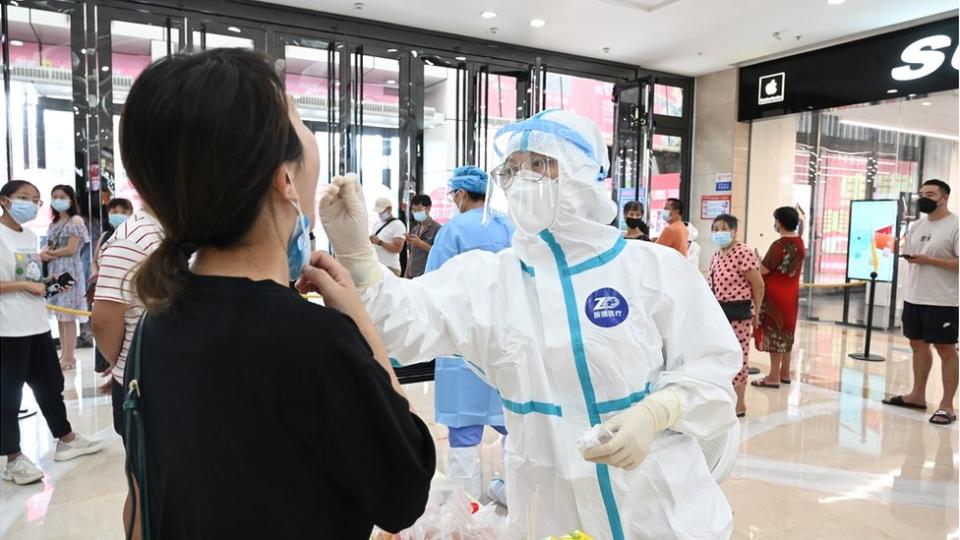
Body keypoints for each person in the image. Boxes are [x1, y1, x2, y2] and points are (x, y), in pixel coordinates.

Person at [320, 109, 741, 539]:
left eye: (538, 165)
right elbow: (401, 323)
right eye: (512, 169)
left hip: (661, 515)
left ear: (580, 172)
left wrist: (655, 413)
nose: (522, 179)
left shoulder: (654, 270)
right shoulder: (489, 280)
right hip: (550, 515)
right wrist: (357, 256)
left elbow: (712, 373)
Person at [116, 49, 434, 538]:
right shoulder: (314, 341)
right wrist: (360, 325)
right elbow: (405, 492)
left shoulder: (159, 322)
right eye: (302, 121)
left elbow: (140, 499)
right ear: (285, 178)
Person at [1, 180, 104, 486]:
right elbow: (17, 283)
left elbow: (30, 278)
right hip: (7, 329)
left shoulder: (31, 235)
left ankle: (66, 438)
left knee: (50, 384)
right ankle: (13, 458)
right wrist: (24, 286)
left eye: (35, 199)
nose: (31, 204)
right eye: (23, 198)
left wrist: (50, 284)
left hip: (35, 324)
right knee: (8, 395)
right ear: (5, 200)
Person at [425, 165, 514, 501]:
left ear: (461, 194)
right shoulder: (509, 225)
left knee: (464, 432)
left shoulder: (454, 231)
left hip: (463, 343)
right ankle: (513, 494)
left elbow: (432, 285)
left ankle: (465, 509)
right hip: (508, 342)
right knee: (514, 424)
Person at [883, 179, 958, 425]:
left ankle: (947, 405)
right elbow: (912, 254)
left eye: (931, 193)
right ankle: (917, 395)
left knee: (945, 350)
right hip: (914, 296)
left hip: (943, 300)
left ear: (944, 198)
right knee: (917, 345)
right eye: (922, 193)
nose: (924, 197)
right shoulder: (916, 225)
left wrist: (928, 260)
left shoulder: (955, 225)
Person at [91, 196, 163, 427]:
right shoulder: (133, 239)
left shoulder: (179, 232)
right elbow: (104, 322)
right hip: (142, 384)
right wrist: (124, 364)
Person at [708, 214, 765, 417]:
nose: (718, 233)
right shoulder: (716, 254)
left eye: (723, 228)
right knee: (721, 357)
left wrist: (756, 311)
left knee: (739, 357)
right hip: (719, 314)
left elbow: (758, 285)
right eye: (715, 229)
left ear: (734, 231)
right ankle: (724, 397)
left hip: (739, 313)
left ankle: (740, 403)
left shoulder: (743, 252)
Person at [751, 206, 805, 389]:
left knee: (774, 333)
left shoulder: (779, 245)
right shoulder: (800, 243)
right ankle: (785, 373)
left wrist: (757, 259)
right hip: (791, 294)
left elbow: (765, 269)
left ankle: (773, 376)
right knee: (787, 333)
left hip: (775, 295)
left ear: (779, 223)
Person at [40, 184, 89, 371]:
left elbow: (71, 248)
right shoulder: (54, 223)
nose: (58, 200)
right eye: (55, 196)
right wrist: (44, 253)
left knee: (68, 316)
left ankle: (69, 357)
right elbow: (50, 246)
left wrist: (50, 254)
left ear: (70, 199)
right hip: (55, 271)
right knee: (61, 316)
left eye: (62, 196)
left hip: (69, 272)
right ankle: (64, 354)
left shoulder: (76, 220)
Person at [88, 198, 134, 376]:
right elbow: (94, 260)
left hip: (124, 292)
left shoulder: (131, 236)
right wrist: (96, 272)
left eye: (123, 211)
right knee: (105, 326)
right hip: (104, 288)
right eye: (114, 212)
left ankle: (119, 365)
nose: (118, 215)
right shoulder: (105, 236)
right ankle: (109, 365)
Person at [404, 194, 441, 279]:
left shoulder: (437, 229)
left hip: (427, 276)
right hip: (412, 275)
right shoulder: (414, 230)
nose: (416, 213)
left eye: (419, 209)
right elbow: (411, 254)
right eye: (413, 210)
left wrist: (420, 244)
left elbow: (438, 253)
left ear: (428, 208)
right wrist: (406, 274)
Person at [370, 197, 406, 276]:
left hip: (390, 268)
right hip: (376, 267)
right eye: (378, 212)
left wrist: (380, 242)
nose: (380, 214)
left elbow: (398, 248)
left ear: (389, 209)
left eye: (382, 211)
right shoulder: (377, 224)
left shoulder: (398, 225)